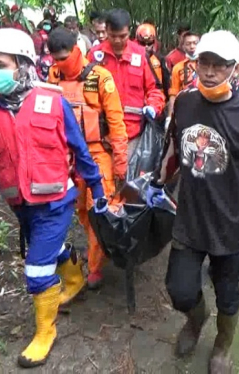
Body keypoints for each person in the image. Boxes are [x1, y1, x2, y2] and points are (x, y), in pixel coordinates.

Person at [145, 30, 239, 374]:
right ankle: (196, 320)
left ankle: (223, 346)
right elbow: (170, 149)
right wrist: (156, 183)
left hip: (229, 223)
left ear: (235, 68)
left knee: (228, 293)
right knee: (179, 289)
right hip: (190, 218)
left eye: (219, 65)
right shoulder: (184, 101)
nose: (210, 72)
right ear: (194, 63)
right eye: (204, 63)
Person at [0, 28, 108, 368]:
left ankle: (45, 332)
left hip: (56, 201)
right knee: (48, 251)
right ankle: (73, 276)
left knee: (36, 269)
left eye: (0, 64)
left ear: (24, 65)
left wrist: (98, 189)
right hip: (21, 205)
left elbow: (80, 149)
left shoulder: (53, 101)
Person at [46, 28, 128, 305]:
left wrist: (120, 162)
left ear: (76, 49)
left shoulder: (100, 78)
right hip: (66, 156)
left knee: (97, 211)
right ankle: (96, 252)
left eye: (64, 57)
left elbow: (116, 122)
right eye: (56, 59)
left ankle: (94, 266)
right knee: (80, 209)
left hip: (96, 154)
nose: (61, 63)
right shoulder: (54, 77)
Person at [86, 8, 164, 288]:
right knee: (99, 201)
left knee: (131, 197)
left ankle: (129, 252)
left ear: (129, 32)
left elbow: (156, 91)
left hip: (132, 139)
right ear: (104, 31)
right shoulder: (94, 57)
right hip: (101, 141)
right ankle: (95, 265)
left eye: (123, 36)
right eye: (113, 36)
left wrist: (153, 107)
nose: (118, 42)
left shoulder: (141, 56)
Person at [166, 31, 200, 124]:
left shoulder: (208, 65)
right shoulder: (178, 68)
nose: (192, 46)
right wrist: (169, 118)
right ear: (183, 46)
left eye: (195, 43)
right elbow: (173, 94)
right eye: (188, 44)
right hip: (185, 110)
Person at [134, 23, 169, 98]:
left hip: (157, 96)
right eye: (142, 43)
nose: (146, 46)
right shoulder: (132, 59)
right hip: (139, 96)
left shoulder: (159, 58)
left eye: (149, 43)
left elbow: (166, 80)